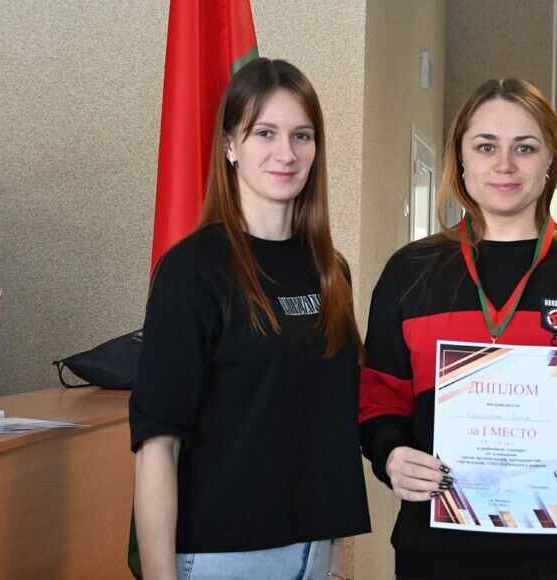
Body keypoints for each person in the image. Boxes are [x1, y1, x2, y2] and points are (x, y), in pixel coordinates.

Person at [359, 78, 557, 580]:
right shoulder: (410, 272)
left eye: (524, 148)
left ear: (549, 161)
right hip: (439, 556)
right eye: (486, 146)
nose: (504, 165)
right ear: (460, 159)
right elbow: (377, 401)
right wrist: (391, 455)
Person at [130, 58, 370, 580]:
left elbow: (331, 432)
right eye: (265, 133)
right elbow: (157, 447)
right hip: (223, 558)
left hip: (315, 552)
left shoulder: (331, 272)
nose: (286, 153)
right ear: (230, 146)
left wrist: (336, 563)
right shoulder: (193, 271)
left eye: (301, 136)